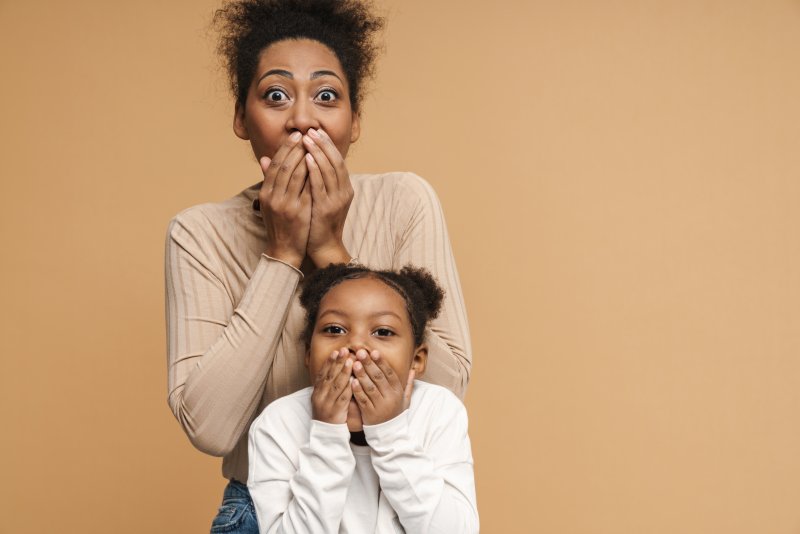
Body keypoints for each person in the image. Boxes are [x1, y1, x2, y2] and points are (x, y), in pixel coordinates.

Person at [164, 1, 472, 532]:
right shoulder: (199, 233)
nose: (303, 118)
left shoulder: (405, 201)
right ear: (242, 117)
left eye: (326, 95)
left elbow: (442, 386)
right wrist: (282, 253)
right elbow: (211, 429)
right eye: (276, 95)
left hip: (404, 496)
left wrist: (330, 249)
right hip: (272, 502)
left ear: (354, 122)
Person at [248, 264, 478, 533]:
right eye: (334, 329)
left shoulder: (440, 412)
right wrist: (326, 435)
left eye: (383, 332)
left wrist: (390, 434)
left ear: (416, 360)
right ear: (309, 354)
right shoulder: (277, 424)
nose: (356, 345)